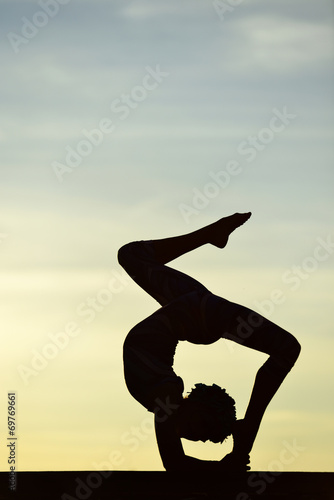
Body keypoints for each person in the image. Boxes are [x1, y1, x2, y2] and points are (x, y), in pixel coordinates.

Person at [118, 213, 301, 471]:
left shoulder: (165, 398)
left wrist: (230, 460)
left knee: (130, 255)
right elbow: (175, 464)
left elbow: (174, 464)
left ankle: (208, 235)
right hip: (197, 315)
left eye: (197, 435)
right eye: (199, 431)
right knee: (288, 348)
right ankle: (251, 424)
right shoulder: (166, 395)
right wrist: (229, 461)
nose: (190, 437)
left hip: (189, 311)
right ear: (195, 406)